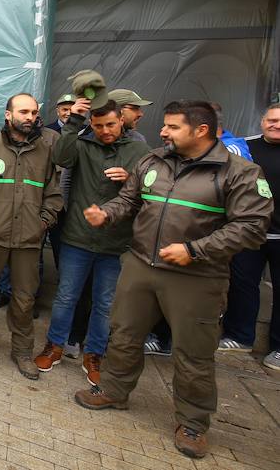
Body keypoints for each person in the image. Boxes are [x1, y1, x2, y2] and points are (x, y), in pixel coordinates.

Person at [75, 100, 271, 459]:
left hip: (196, 276)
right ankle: (114, 391)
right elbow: (130, 200)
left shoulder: (239, 172)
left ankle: (193, 422)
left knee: (193, 352)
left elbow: (252, 227)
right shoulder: (153, 161)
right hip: (139, 264)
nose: (163, 132)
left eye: (172, 127)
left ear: (201, 131)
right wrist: (107, 213)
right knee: (124, 333)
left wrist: (194, 250)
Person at [33, 99, 149, 385]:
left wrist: (132, 179)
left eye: (110, 124)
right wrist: (74, 120)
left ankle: (94, 354)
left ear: (122, 119)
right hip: (78, 237)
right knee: (66, 296)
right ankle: (54, 346)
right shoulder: (83, 144)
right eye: (97, 126)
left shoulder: (139, 150)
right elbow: (61, 156)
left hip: (116, 241)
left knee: (105, 303)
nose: (105, 131)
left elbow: (152, 190)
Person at [0, 93, 62, 379]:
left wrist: (43, 222)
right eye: (23, 112)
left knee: (24, 299)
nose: (30, 117)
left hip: (29, 239)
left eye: (33, 112)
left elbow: (54, 195)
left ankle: (21, 351)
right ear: (8, 115)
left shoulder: (45, 151)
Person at [219, 103, 279, 370]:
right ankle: (239, 337)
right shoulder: (245, 146)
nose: (276, 124)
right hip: (250, 231)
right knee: (242, 284)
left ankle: (278, 348)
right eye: (271, 120)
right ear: (262, 121)